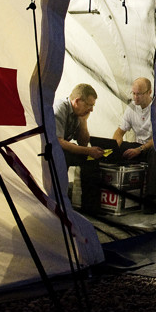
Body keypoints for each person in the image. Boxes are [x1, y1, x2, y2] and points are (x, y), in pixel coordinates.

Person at [113, 77, 156, 213]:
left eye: (139, 94)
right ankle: (114, 192)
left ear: (149, 92)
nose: (135, 97)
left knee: (155, 151)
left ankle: (150, 199)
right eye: (134, 93)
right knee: (114, 147)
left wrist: (140, 149)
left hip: (151, 148)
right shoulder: (132, 107)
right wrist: (115, 144)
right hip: (138, 147)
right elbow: (119, 132)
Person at [54, 83, 104, 215]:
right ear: (77, 101)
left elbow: (82, 141)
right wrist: (88, 150)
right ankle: (60, 205)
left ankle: (91, 208)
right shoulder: (60, 108)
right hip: (53, 150)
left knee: (91, 160)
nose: (91, 109)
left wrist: (83, 122)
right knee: (62, 157)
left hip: (64, 149)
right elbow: (58, 142)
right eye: (89, 105)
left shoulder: (77, 114)